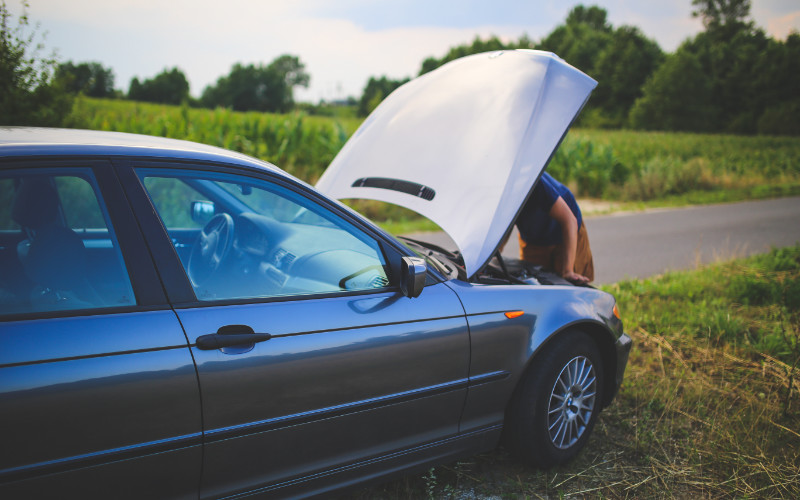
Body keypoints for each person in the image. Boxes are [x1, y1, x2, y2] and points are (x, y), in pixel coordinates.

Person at [514, 172, 594, 283]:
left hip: (566, 230)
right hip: (533, 236)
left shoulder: (532, 181)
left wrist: (568, 270)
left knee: (570, 284)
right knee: (533, 285)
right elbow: (502, 226)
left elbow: (569, 221)